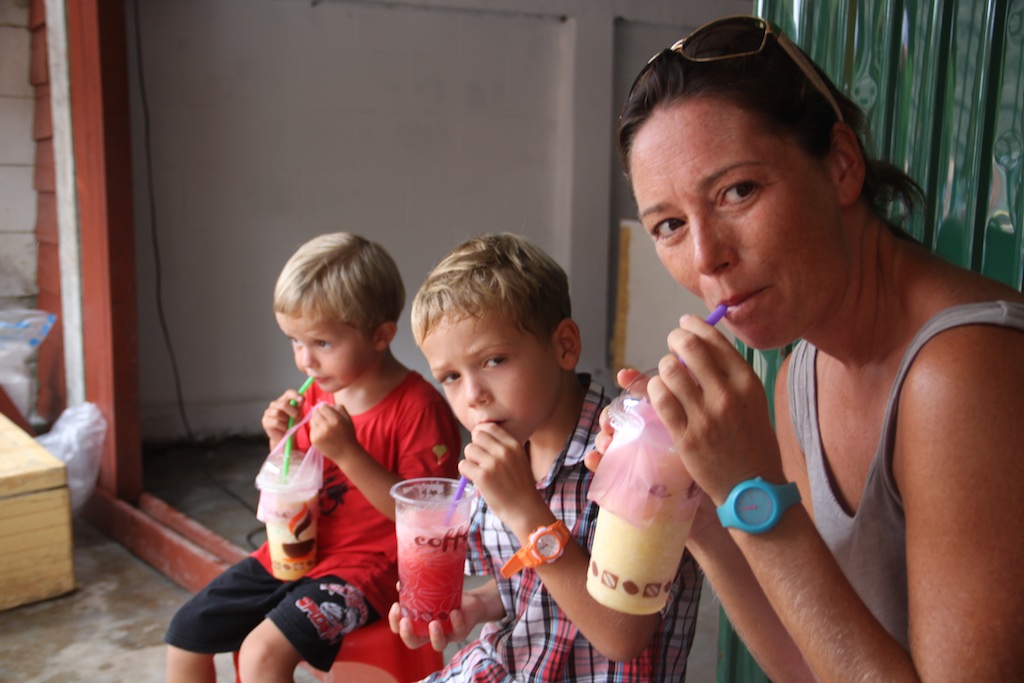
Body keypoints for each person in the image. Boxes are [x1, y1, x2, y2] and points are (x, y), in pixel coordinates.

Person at [592, 13, 1024, 682]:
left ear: (843, 166)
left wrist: (753, 490)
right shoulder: (802, 374)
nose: (708, 257)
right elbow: (814, 665)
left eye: (738, 190)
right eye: (671, 224)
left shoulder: (962, 371)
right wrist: (707, 511)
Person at [388, 232, 703, 680]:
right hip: (505, 665)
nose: (473, 396)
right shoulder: (504, 452)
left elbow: (622, 637)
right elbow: (526, 586)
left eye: (494, 360)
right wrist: (475, 604)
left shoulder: (633, 454)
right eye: (451, 376)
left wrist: (524, 510)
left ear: (564, 346)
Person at [164, 232, 462, 683]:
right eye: (294, 341)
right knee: (186, 632)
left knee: (262, 652)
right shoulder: (319, 394)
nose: (305, 360)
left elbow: (425, 522)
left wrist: (349, 452)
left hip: (372, 571)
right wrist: (280, 443)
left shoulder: (419, 409)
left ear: (381, 335)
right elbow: (297, 483)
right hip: (297, 551)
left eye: (321, 343)